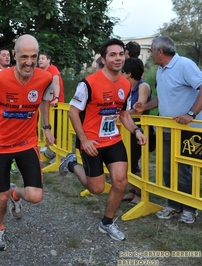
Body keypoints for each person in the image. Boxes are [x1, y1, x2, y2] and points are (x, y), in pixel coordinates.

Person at [0, 34, 55, 251]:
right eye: (24, 56)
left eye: (34, 56)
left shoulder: (45, 78)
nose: (29, 61)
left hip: (27, 143)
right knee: (1, 196)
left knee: (35, 196)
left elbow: (45, 101)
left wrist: (46, 128)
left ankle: (17, 193)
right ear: (14, 55)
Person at [59, 38, 147, 241]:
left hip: (113, 139)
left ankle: (106, 223)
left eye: (120, 54)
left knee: (120, 182)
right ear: (103, 58)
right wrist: (84, 140)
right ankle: (72, 163)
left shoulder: (126, 84)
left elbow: (123, 115)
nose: (117, 58)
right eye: (112, 55)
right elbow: (73, 113)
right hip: (91, 142)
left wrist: (136, 131)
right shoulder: (89, 83)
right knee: (96, 188)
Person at [134, 36, 202, 224]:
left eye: (152, 51)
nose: (151, 55)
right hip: (166, 127)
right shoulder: (161, 71)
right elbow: (162, 97)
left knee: (183, 169)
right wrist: (146, 105)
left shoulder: (184, 65)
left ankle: (189, 208)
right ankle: (173, 205)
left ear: (160, 52)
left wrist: (191, 114)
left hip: (187, 129)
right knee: (166, 168)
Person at [121, 58, 151, 205]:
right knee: (128, 161)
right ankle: (132, 191)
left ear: (129, 73)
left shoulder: (142, 86)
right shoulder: (128, 87)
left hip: (140, 129)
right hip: (129, 128)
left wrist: (122, 114)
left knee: (134, 162)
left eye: (123, 71)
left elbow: (140, 109)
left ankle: (140, 194)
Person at [38, 52, 65, 159]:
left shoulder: (52, 69)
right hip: (44, 104)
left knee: (54, 128)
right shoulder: (40, 72)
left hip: (55, 104)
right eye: (39, 58)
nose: (40, 60)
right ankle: (47, 149)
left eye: (43, 58)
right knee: (45, 125)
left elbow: (56, 82)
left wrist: (56, 98)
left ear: (48, 61)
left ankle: (56, 153)